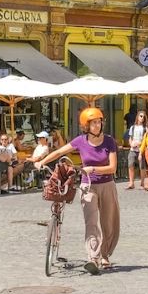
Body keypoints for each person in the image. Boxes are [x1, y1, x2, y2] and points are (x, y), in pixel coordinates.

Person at [34, 107, 120, 274]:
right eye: (93, 123)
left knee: (108, 223)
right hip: (88, 186)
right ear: (86, 126)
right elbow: (59, 151)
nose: (97, 125)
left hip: (107, 185)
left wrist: (93, 168)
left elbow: (112, 168)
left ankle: (105, 255)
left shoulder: (109, 141)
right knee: (91, 222)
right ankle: (93, 258)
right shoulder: (80, 141)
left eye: (99, 122)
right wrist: (42, 162)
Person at [125, 111, 148, 190]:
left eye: (143, 117)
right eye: (141, 116)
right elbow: (130, 138)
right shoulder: (133, 127)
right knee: (130, 164)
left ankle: (142, 182)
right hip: (133, 149)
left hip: (141, 149)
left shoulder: (145, 128)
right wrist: (131, 144)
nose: (142, 118)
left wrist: (140, 143)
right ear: (137, 117)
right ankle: (131, 182)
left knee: (142, 166)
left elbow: (146, 139)